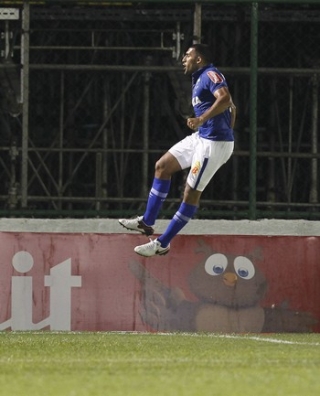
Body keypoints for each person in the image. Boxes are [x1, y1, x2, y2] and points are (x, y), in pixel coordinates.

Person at [119, 43, 236, 257]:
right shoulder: (200, 77)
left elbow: (226, 98)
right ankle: (147, 222)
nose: (184, 59)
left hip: (213, 145)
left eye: (188, 55)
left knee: (190, 194)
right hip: (202, 138)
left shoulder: (210, 74)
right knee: (162, 166)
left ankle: (162, 243)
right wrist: (225, 125)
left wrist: (203, 120)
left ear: (198, 59)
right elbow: (232, 107)